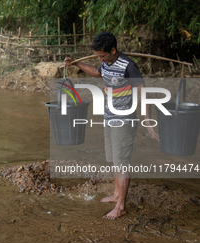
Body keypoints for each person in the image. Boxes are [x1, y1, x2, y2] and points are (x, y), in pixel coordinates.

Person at [64, 32, 159, 220]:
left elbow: (144, 94)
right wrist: (76, 63)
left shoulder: (129, 67)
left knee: (121, 162)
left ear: (113, 50)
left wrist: (148, 122)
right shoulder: (106, 63)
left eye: (102, 56)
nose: (100, 59)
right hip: (109, 117)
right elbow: (98, 73)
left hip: (124, 121)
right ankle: (116, 194)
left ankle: (121, 206)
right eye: (98, 56)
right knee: (115, 159)